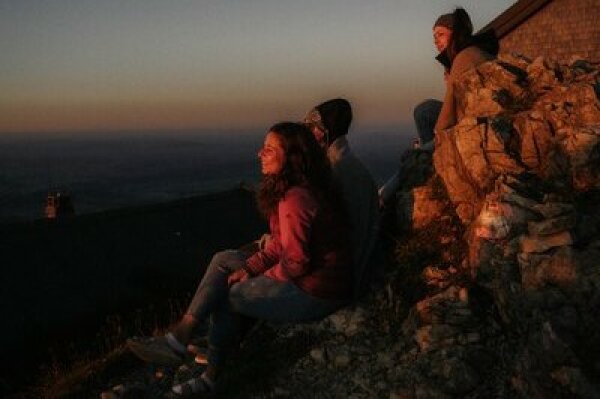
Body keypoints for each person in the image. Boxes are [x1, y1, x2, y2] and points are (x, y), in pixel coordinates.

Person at [128, 122, 352, 396]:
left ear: (292, 157)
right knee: (224, 260)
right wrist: (249, 267)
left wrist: (257, 277)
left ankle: (211, 377)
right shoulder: (297, 186)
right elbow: (280, 245)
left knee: (232, 295)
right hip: (312, 277)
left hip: (318, 291)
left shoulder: (295, 198)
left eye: (269, 149)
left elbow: (295, 262)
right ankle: (179, 338)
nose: (260, 153)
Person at [378, 7, 498, 206]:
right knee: (425, 111)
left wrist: (434, 140)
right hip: (474, 115)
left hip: (473, 122)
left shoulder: (463, 58)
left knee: (420, 135)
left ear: (455, 33)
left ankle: (421, 173)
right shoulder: (463, 55)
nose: (436, 40)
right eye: (434, 36)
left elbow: (450, 110)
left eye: (441, 34)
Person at [303, 98, 380, 299]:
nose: (308, 135)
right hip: (353, 270)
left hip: (344, 277)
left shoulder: (337, 171)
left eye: (312, 127)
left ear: (325, 131)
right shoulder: (348, 165)